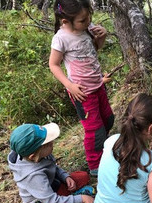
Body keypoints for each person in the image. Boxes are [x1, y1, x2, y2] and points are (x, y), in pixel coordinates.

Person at [49, 0, 114, 176]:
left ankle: (104, 148)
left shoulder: (85, 28)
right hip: (83, 93)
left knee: (108, 119)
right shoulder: (61, 38)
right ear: (65, 21)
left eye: (88, 18)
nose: (88, 22)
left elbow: (94, 49)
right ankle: (96, 166)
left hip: (98, 85)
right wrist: (69, 86)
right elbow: (53, 65)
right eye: (83, 20)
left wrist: (102, 37)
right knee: (94, 129)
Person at [8, 123, 94, 203]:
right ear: (33, 156)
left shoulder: (39, 155)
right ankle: (70, 199)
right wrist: (81, 199)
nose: (52, 143)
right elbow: (51, 201)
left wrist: (65, 176)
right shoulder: (33, 176)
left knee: (83, 176)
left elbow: (53, 167)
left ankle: (68, 197)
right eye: (48, 144)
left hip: (54, 186)